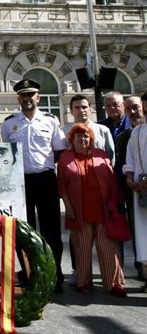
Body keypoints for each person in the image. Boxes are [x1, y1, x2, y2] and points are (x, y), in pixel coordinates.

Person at [1, 78, 66, 292]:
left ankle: (54, 275)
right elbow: (4, 153)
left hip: (46, 179)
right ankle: (29, 273)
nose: (27, 99)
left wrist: (44, 165)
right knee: (24, 231)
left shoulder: (50, 121)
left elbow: (59, 150)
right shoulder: (10, 123)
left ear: (38, 96)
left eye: (31, 94)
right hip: (21, 183)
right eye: (23, 95)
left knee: (51, 230)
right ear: (18, 98)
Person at [57, 123, 126, 297]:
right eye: (78, 136)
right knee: (82, 248)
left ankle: (114, 283)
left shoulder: (101, 155)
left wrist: (115, 206)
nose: (83, 139)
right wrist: (68, 207)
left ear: (91, 139)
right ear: (72, 140)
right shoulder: (65, 158)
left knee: (108, 248)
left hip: (104, 211)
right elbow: (62, 186)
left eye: (86, 136)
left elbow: (112, 182)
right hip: (79, 212)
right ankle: (84, 281)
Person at [115, 95, 144, 279]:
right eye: (129, 109)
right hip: (136, 191)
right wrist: (130, 180)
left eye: (137, 108)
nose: (133, 112)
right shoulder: (124, 136)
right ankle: (143, 271)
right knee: (139, 232)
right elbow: (126, 162)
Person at [123, 112, 147, 293]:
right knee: (144, 234)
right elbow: (130, 160)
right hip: (140, 189)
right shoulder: (137, 131)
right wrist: (130, 179)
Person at [63, 94, 115, 164]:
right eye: (77, 107)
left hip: (98, 171)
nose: (81, 110)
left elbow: (110, 155)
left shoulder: (103, 130)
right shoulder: (64, 132)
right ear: (71, 111)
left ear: (90, 110)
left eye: (84, 107)